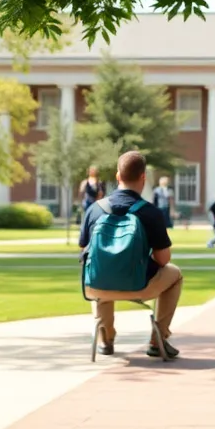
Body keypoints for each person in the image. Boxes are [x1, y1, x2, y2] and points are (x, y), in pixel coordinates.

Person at [81, 151, 183, 358]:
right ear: (143, 177)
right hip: (140, 287)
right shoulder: (150, 212)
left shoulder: (94, 209)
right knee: (175, 274)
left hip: (97, 289)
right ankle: (158, 339)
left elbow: (84, 250)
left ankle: (105, 338)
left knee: (100, 271)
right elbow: (163, 260)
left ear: (118, 176)